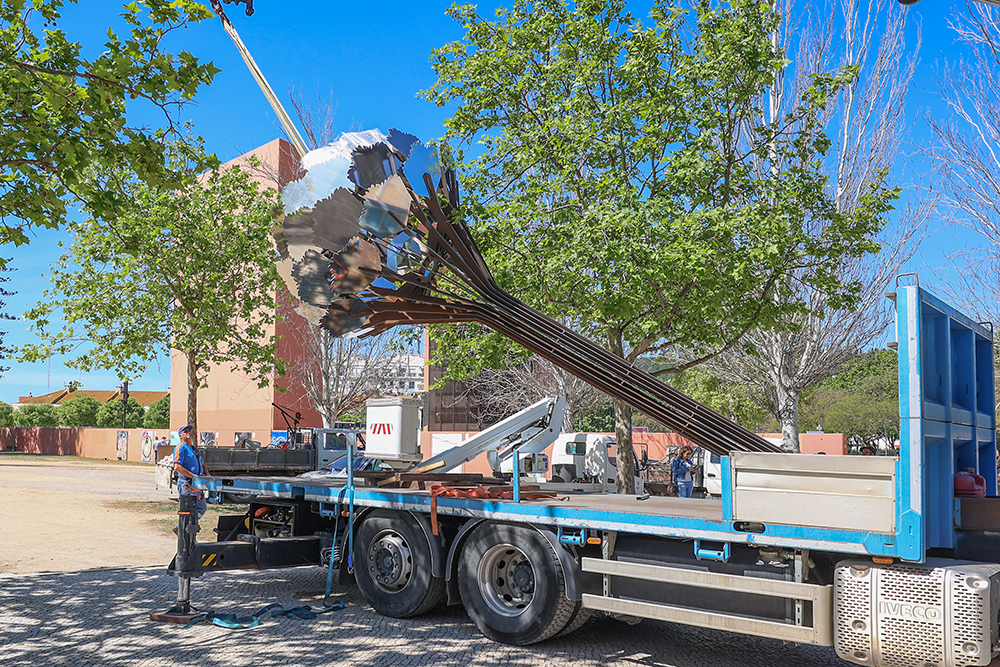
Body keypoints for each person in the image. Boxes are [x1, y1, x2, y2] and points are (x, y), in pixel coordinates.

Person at [173, 425, 207, 519]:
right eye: (185, 431)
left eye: (189, 431)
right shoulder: (181, 447)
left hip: (196, 483)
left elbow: (202, 463)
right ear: (180, 436)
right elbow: (177, 467)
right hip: (186, 483)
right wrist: (193, 476)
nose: (188, 432)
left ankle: (191, 525)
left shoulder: (195, 449)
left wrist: (206, 474)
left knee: (201, 507)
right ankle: (184, 529)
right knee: (186, 510)